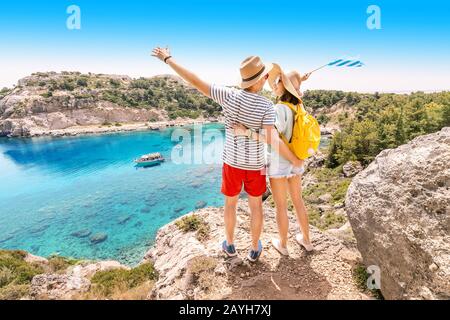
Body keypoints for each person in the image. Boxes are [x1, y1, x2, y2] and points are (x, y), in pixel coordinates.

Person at [151, 47, 303, 262]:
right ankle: (253, 249)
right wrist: (294, 159)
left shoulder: (228, 95)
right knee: (256, 207)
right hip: (255, 166)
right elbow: (272, 139)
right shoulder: (267, 106)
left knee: (230, 205)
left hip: (232, 164)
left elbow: (195, 81)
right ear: (263, 78)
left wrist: (167, 59)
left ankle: (230, 245)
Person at [233, 64, 314, 255]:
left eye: (278, 82)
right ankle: (307, 240)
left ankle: (283, 245)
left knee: (281, 207)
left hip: (279, 163)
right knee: (298, 201)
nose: (275, 85)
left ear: (285, 86)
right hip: (297, 160)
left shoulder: (278, 109)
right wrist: (299, 79)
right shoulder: (299, 107)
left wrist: (246, 132)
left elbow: (271, 138)